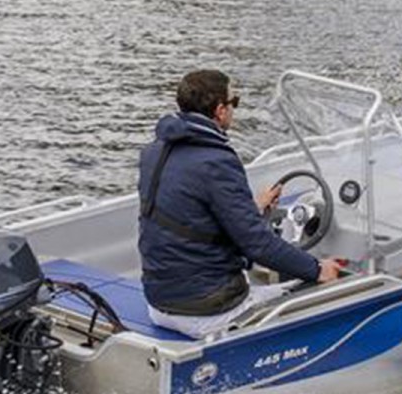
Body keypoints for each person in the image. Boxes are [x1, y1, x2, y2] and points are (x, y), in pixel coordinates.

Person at [137, 68, 346, 339]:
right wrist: (318, 269)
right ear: (220, 110)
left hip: (160, 302)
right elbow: (257, 244)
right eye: (234, 102)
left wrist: (252, 208)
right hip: (208, 312)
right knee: (321, 290)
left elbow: (190, 215)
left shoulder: (154, 151)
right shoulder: (217, 161)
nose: (235, 109)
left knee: (265, 284)